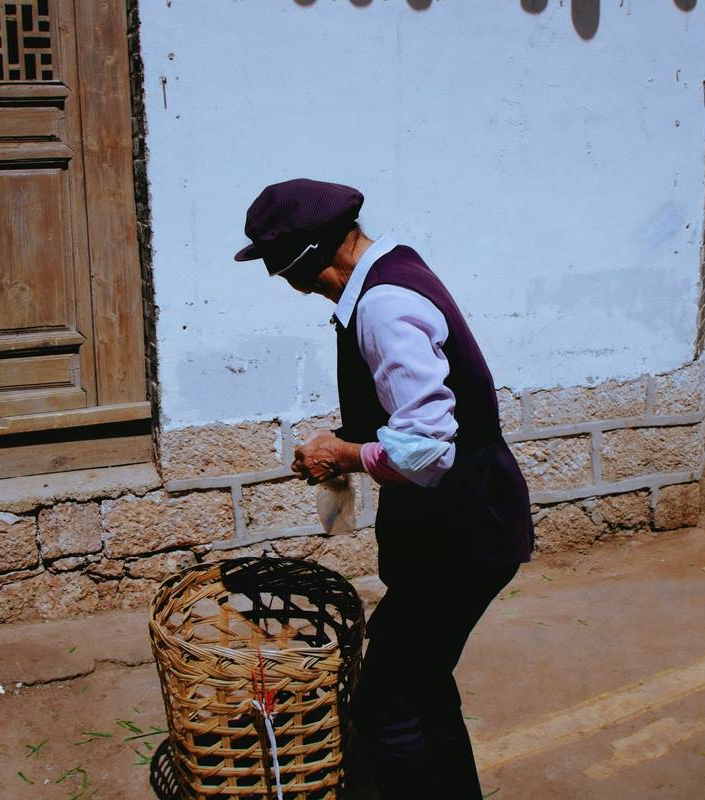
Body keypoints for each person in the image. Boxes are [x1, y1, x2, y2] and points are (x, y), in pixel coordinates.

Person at [235, 178, 534, 798]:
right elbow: (413, 421)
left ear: (315, 258)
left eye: (287, 274)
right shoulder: (393, 270)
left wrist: (343, 450)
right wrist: (350, 443)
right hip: (465, 527)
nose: (294, 289)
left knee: (386, 705)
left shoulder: (383, 304)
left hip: (464, 534)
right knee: (423, 684)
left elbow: (426, 449)